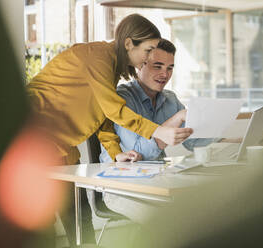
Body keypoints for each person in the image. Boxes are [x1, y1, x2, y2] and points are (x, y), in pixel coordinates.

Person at [26, 14, 192, 247]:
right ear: (128, 44)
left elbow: (103, 113)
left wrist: (116, 153)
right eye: (147, 50)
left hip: (62, 146)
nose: (149, 58)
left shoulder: (111, 68)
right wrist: (157, 132)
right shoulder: (97, 57)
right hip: (31, 138)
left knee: (80, 221)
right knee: (41, 227)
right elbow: (115, 109)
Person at [99, 39, 214, 163]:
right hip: (117, 176)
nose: (165, 74)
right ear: (140, 64)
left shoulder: (170, 99)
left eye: (169, 68)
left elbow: (193, 141)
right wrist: (176, 119)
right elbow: (137, 154)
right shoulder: (122, 98)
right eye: (157, 66)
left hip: (156, 175)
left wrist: (230, 136)